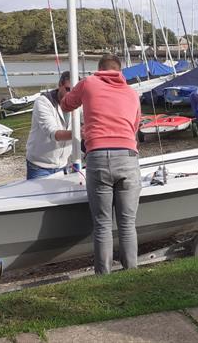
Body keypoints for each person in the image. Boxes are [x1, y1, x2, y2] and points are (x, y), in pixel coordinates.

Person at [61, 54, 142, 275]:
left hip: (98, 157)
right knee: (127, 223)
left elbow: (66, 105)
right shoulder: (132, 94)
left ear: (99, 69)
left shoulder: (88, 83)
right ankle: (131, 272)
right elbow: (135, 127)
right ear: (120, 71)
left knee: (103, 224)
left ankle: (103, 276)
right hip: (127, 155)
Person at [25, 71, 73, 180]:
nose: (71, 94)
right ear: (60, 85)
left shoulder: (78, 104)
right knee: (37, 197)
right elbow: (53, 133)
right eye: (68, 89)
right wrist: (79, 133)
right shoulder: (43, 102)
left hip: (63, 165)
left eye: (75, 91)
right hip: (40, 166)